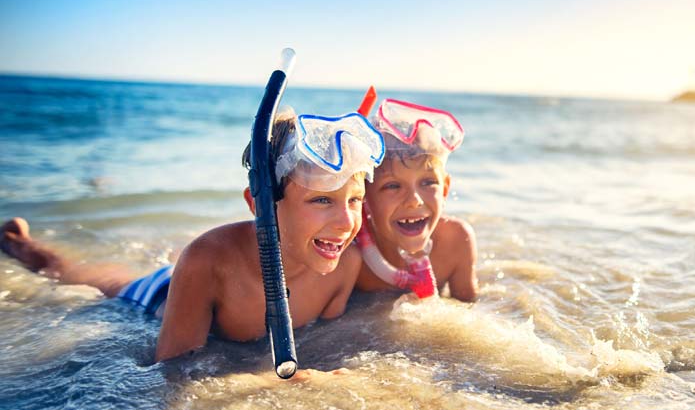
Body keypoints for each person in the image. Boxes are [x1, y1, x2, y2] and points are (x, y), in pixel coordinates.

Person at [1, 108, 386, 361]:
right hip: (156, 297)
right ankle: (18, 243)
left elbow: (321, 342)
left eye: (354, 200)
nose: (345, 221)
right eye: (322, 200)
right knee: (68, 274)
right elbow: (171, 369)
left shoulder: (344, 266)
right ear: (260, 204)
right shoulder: (208, 258)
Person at [355, 98, 478, 302]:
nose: (414, 201)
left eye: (428, 182)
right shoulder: (353, 258)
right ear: (363, 195)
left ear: (445, 189)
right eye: (393, 186)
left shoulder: (456, 242)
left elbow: (469, 308)